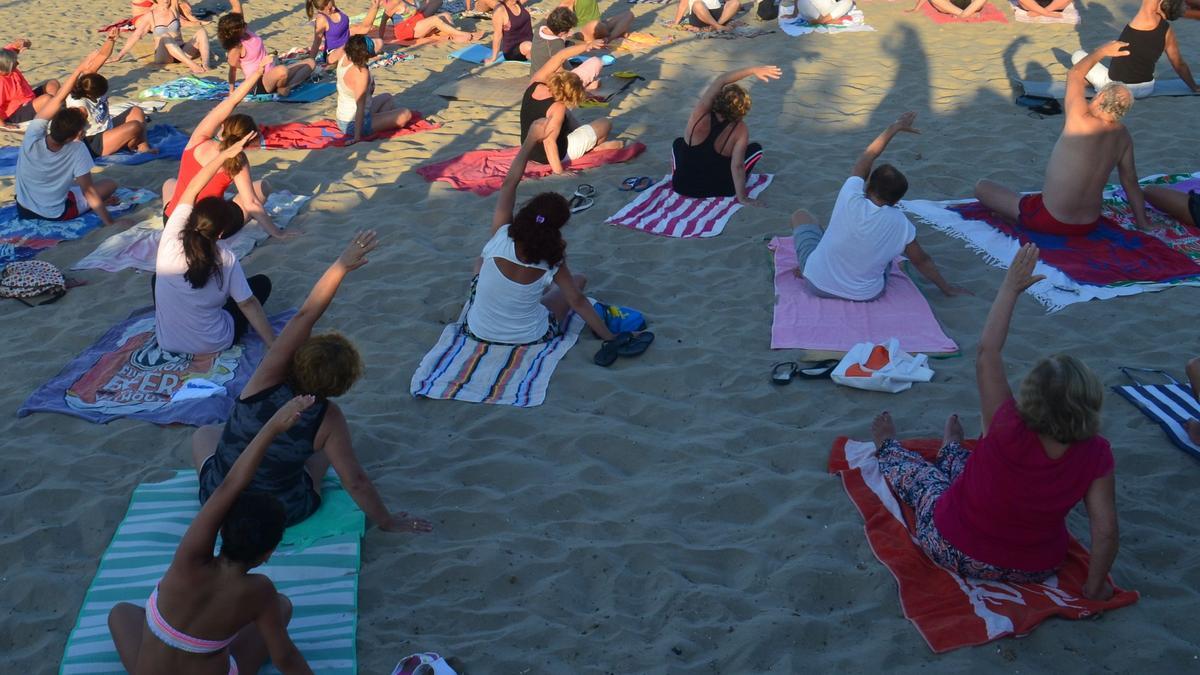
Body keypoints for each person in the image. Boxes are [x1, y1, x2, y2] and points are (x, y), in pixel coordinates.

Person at [872, 243, 1119, 599]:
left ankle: (888, 448)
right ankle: (953, 449)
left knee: (925, 481)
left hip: (953, 547)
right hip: (1037, 568)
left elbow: (988, 351)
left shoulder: (1006, 423)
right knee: (970, 470)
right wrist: (1095, 588)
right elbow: (1106, 529)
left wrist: (1010, 288)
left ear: (1031, 398)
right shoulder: (1097, 453)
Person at [192, 231, 434, 534]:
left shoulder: (265, 379)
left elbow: (305, 316)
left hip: (219, 504)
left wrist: (340, 266)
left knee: (205, 434)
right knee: (319, 457)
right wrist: (387, 521)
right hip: (280, 514)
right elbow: (355, 481)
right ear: (343, 385)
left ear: (298, 358)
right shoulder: (328, 417)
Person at [107, 396, 316, 674]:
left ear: (221, 531)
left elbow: (230, 485)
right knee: (282, 607)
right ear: (267, 554)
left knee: (120, 612)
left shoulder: (189, 559)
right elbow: (285, 658)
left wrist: (272, 427)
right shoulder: (260, 592)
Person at [467, 124, 633, 349]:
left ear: (527, 212)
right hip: (529, 337)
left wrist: (529, 141)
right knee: (578, 281)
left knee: (480, 262)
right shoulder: (553, 256)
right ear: (558, 227)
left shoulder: (501, 234)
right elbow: (577, 302)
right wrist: (609, 338)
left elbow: (509, 184)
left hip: (478, 330)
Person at [975, 43, 1150, 236]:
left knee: (982, 187)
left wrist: (1102, 51)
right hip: (1088, 224)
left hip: (1051, 220)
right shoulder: (1123, 136)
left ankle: (1016, 217)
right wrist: (1143, 223)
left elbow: (1075, 74)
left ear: (1099, 98)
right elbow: (1130, 182)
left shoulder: (1080, 118)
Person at [794, 112, 966, 301]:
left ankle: (806, 266)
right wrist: (947, 288)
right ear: (897, 201)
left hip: (816, 283)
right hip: (864, 295)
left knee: (801, 216)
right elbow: (921, 260)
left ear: (867, 185)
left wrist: (895, 127)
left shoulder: (850, 196)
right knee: (885, 257)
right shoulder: (901, 224)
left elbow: (868, 156)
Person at [155, 133, 275, 355]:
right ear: (220, 233)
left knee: (157, 278)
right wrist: (274, 345)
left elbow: (192, 187)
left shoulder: (171, 235)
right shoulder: (225, 257)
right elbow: (247, 304)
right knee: (260, 285)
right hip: (214, 342)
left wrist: (223, 156)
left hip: (167, 341)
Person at [162, 67, 293, 239]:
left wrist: (256, 73)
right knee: (263, 187)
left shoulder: (198, 140)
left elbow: (230, 102)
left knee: (170, 182)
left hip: (173, 222)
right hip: (209, 229)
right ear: (246, 141)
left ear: (223, 126)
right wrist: (278, 233)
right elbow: (251, 203)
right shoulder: (238, 159)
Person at [14, 52, 120, 225]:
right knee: (109, 184)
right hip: (55, 213)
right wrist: (110, 223)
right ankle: (84, 207)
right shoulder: (77, 149)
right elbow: (89, 192)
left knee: (70, 187)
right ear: (76, 134)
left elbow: (58, 98)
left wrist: (79, 69)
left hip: (24, 208)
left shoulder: (33, 135)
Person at [672, 65, 777, 203]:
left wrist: (753, 70)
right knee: (755, 149)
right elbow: (737, 166)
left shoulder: (700, 113)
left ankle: (680, 172)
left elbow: (722, 79)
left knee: (678, 143)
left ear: (719, 100)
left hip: (681, 186)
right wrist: (742, 198)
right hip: (721, 189)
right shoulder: (740, 129)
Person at [520, 40, 623, 173]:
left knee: (567, 117)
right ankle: (593, 149)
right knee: (605, 123)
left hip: (529, 148)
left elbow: (560, 56)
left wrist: (587, 46)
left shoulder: (535, 83)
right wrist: (559, 172)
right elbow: (549, 142)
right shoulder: (557, 107)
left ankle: (587, 141)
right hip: (553, 155)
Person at [1071, 0, 1197, 99]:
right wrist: (1194, 87)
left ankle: (1092, 83)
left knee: (1078, 55)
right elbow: (1179, 64)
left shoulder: (1146, 17)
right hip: (1147, 88)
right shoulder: (1168, 32)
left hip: (1120, 89)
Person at [67, 31, 156, 158]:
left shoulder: (87, 81)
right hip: (94, 142)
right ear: (90, 94)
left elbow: (102, 56)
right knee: (135, 127)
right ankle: (129, 144)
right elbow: (72, 130)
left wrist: (111, 40)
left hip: (107, 128)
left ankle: (143, 147)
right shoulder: (79, 106)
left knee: (136, 111)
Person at [218, 11, 316, 97]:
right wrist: (232, 91)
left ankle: (285, 87)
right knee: (282, 70)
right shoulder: (236, 48)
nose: (245, 25)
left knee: (310, 63)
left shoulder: (247, 32)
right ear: (236, 31)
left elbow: (237, 12)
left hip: (272, 72)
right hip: (258, 82)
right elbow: (233, 69)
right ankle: (281, 86)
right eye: (242, 25)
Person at [335, 35, 413, 143]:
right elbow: (360, 106)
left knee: (387, 98)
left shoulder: (344, 56)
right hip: (353, 123)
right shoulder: (360, 73)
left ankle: (378, 122)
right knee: (405, 114)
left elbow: (329, 58)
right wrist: (357, 138)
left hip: (343, 117)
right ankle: (373, 127)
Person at [111, 0, 211, 75]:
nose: (166, 0)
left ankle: (206, 64)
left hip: (182, 50)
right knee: (164, 35)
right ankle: (192, 65)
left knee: (202, 32)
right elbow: (136, 36)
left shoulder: (174, 8)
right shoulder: (150, 16)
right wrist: (119, 55)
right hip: (164, 56)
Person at [529, 8, 603, 92]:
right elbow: (560, 74)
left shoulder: (541, 26)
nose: (570, 31)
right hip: (549, 84)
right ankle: (583, 87)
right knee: (596, 62)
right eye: (568, 30)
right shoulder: (555, 44)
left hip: (535, 75)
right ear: (561, 32)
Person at [0, 38, 61, 127]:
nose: (18, 63)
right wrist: (3, 125)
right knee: (47, 99)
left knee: (52, 83)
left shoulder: (7, 67)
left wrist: (19, 44)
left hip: (28, 98)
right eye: (14, 63)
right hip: (15, 112)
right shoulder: (2, 83)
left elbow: (9, 52)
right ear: (6, 67)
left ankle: (53, 108)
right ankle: (54, 110)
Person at [307, 0, 384, 62]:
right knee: (345, 50)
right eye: (330, 9)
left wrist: (374, 7)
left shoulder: (336, 10)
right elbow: (317, 42)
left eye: (333, 4)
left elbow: (365, 28)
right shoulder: (321, 19)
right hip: (333, 53)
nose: (333, 9)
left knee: (379, 42)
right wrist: (311, 60)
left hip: (349, 45)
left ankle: (356, 56)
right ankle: (358, 56)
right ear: (320, 9)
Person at [379, 0, 482, 44]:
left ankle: (455, 35)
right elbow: (383, 20)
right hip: (405, 30)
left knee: (446, 15)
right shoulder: (394, 3)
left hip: (415, 22)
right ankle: (461, 34)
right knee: (435, 19)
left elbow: (419, 8)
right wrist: (380, 38)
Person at [559, 0, 634, 41]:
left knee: (629, 14)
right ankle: (616, 33)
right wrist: (566, 31)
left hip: (599, 25)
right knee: (595, 24)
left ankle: (609, 37)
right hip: (582, 29)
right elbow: (561, 12)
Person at [672, 0, 743, 31]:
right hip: (699, 17)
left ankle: (717, 25)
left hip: (718, 16)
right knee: (697, 4)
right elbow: (683, 5)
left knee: (735, 3)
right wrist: (676, 22)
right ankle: (718, 26)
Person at [779, 0, 853, 23]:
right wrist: (794, 14)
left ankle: (822, 20)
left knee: (849, 2)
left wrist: (794, 14)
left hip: (825, 8)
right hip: (812, 9)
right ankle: (825, 21)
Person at [909, 0, 990, 19]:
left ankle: (963, 14)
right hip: (950, 6)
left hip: (972, 5)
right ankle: (965, 14)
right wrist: (917, 8)